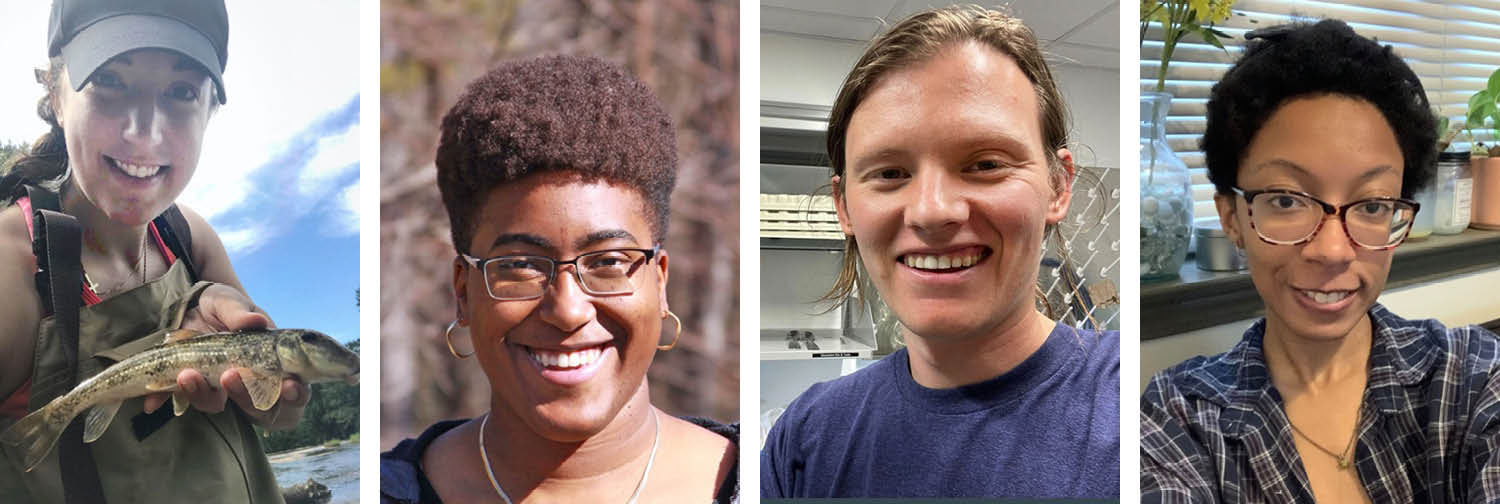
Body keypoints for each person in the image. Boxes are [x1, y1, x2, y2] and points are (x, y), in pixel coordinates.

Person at [759, 5, 1120, 499]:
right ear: (844, 206)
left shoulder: (1141, 410)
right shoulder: (807, 438)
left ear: (1058, 186)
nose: (931, 212)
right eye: (889, 174)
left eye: (986, 163)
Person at [1140, 20, 1500, 503]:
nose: (1332, 251)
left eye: (1372, 205)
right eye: (1288, 200)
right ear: (1231, 217)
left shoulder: (1471, 379)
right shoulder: (1179, 418)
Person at [378, 55, 738, 504]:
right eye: (520, 265)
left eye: (607, 261)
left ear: (659, 282)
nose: (567, 310)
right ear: (464, 292)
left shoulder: (767, 478)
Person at [0, 0, 313, 502]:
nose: (143, 130)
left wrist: (271, 399)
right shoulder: (11, 264)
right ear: (57, 96)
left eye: (182, 91)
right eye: (110, 81)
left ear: (210, 110)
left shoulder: (192, 238)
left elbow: (284, 413)